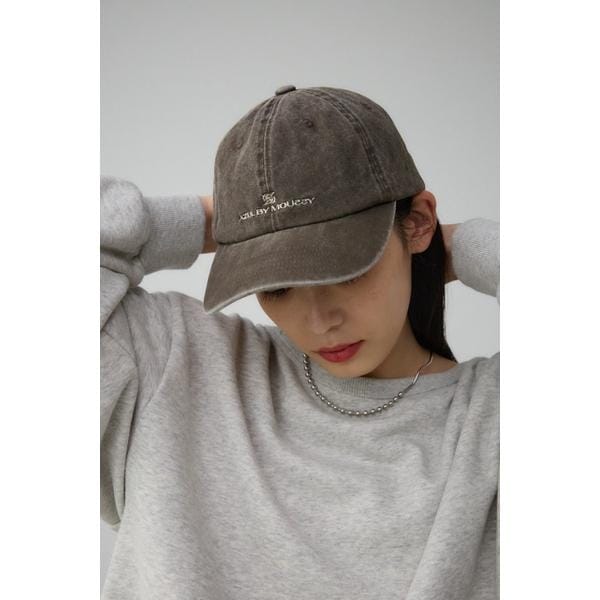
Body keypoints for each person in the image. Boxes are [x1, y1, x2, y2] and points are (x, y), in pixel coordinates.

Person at [101, 86, 499, 600]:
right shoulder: (172, 364)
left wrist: (459, 245)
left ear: (418, 222)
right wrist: (233, 221)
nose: (318, 321)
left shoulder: (490, 422)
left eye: (347, 271)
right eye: (278, 286)